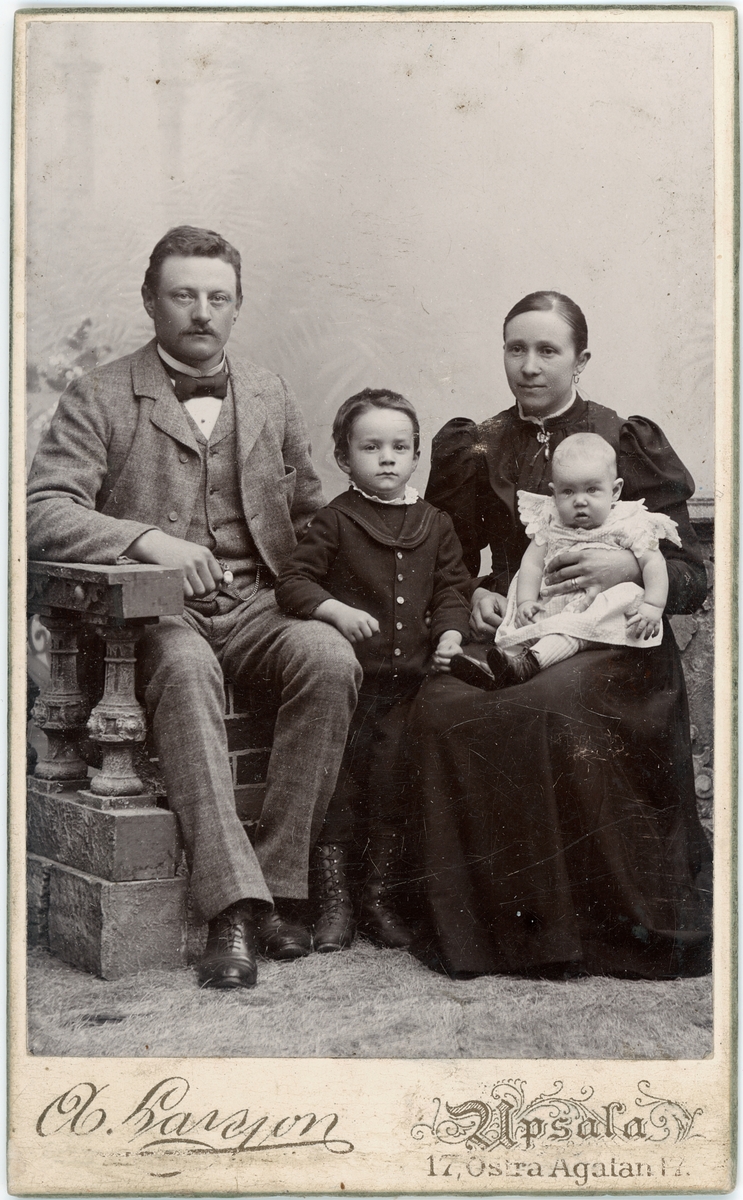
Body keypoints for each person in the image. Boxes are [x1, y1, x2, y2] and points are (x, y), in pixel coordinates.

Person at [27, 226, 362, 990]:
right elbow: (40, 509)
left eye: (218, 297)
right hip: (154, 614)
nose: (202, 312)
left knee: (329, 658)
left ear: (238, 306)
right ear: (151, 301)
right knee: (183, 670)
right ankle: (232, 910)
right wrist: (146, 541)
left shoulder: (270, 391)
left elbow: (311, 515)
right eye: (184, 295)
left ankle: (281, 888)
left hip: (259, 603)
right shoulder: (100, 394)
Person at [409, 290, 712, 980]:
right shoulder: (476, 444)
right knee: (442, 704)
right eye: (516, 348)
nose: (529, 366)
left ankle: (578, 926)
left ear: (580, 360)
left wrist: (626, 567)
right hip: (524, 620)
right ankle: (488, 927)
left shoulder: (623, 440)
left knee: (549, 704)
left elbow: (691, 577)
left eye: (548, 350)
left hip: (616, 637)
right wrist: (477, 594)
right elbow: (450, 563)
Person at [275, 389, 471, 952]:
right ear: (343, 457)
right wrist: (334, 610)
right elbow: (293, 582)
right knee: (339, 792)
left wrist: (450, 633)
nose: (387, 458)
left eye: (399, 447)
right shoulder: (336, 520)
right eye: (371, 447)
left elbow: (453, 588)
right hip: (350, 691)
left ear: (416, 457)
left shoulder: (435, 523)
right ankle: (334, 904)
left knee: (392, 789)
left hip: (408, 691)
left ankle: (379, 899)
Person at [449, 431, 682, 690]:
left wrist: (653, 605)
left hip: (599, 612)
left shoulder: (627, 522)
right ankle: (499, 667)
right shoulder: (551, 521)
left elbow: (653, 563)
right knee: (526, 628)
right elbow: (532, 565)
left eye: (592, 490)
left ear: (615, 491)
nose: (580, 501)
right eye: (568, 491)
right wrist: (526, 601)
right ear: (554, 493)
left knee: (574, 630)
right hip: (555, 603)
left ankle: (530, 663)